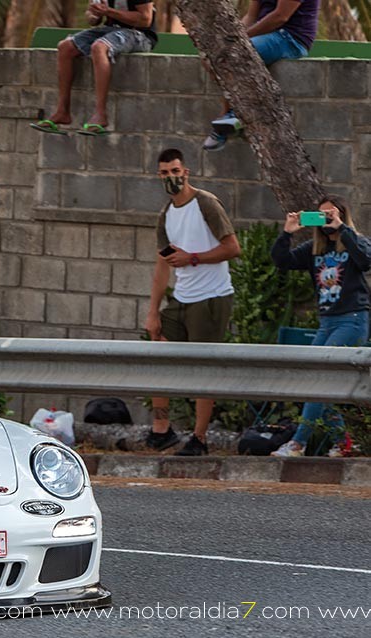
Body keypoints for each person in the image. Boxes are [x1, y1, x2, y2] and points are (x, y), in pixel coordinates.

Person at [144, 148, 241, 456]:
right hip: (182, 298)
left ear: (185, 172)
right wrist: (153, 312)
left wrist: (193, 258)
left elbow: (233, 248)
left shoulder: (206, 204)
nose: (171, 177)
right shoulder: (166, 214)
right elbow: (162, 265)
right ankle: (162, 429)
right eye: (164, 173)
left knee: (202, 369)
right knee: (157, 351)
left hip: (211, 298)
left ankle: (199, 438)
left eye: (175, 171)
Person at [269, 196, 370, 457]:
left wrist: (342, 229)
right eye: (321, 216)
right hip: (326, 322)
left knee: (319, 379)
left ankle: (298, 443)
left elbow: (366, 261)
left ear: (341, 216)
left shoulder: (355, 241)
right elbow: (281, 261)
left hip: (353, 320)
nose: (325, 221)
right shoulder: (314, 249)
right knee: (317, 381)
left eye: (330, 215)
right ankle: (343, 442)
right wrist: (287, 232)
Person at [203, 0, 319, 151]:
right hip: (265, 35)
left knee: (232, 55)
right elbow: (251, 16)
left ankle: (233, 115)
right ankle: (228, 118)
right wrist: (230, 36)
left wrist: (241, 38)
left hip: (290, 37)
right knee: (212, 57)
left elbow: (280, 17)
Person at [31, 1, 157, 136]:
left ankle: (100, 114)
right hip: (110, 30)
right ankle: (62, 112)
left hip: (139, 35)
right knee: (65, 47)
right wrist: (95, 15)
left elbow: (145, 19)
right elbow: (91, 18)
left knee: (99, 47)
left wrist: (108, 11)